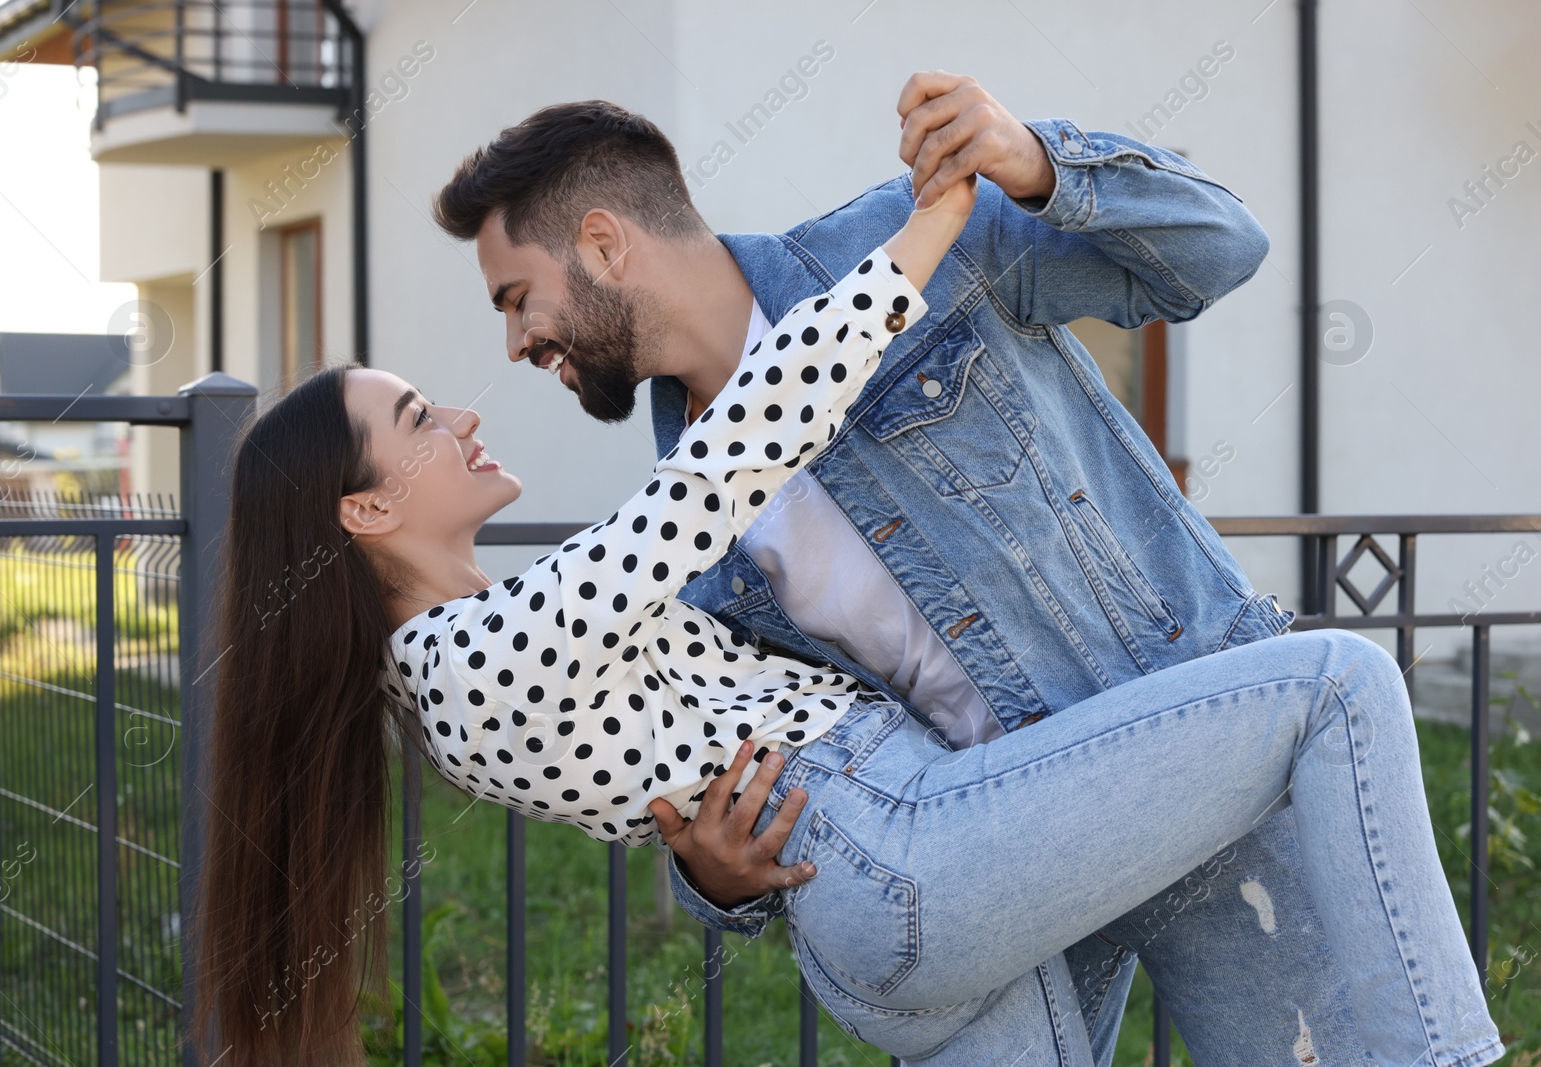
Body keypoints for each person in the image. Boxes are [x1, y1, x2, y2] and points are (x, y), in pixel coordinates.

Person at [188, 171, 1501, 1067]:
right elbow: (736, 452)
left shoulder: (485, 644)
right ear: (362, 513)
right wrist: (931, 225)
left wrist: (705, 875)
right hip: (901, 851)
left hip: (898, 860)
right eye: (418, 419)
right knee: (1335, 679)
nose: (463, 414)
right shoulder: (473, 658)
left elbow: (688, 745)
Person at [432, 77, 1400, 1063]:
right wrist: (713, 880)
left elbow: (1220, 250)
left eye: (518, 299)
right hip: (990, 850)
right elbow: (765, 735)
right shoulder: (687, 531)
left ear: (602, 244)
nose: (516, 343)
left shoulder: (917, 239)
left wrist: (1039, 163)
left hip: (1186, 738)